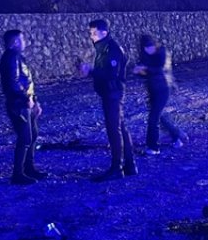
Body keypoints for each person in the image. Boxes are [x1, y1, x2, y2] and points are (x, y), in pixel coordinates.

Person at [80, 19, 135, 181]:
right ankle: (129, 165)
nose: (92, 36)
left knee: (114, 130)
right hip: (110, 92)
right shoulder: (104, 48)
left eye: (94, 33)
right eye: (91, 33)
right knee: (120, 127)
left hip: (113, 93)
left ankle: (116, 167)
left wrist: (91, 71)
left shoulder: (112, 49)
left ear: (104, 32)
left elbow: (111, 74)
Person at [0, 30, 45, 185]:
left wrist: (35, 101)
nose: (25, 41)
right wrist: (26, 99)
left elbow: (27, 81)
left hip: (26, 102)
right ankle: (18, 174)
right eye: (22, 39)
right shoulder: (11, 58)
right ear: (15, 42)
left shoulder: (19, 58)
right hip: (18, 104)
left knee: (32, 135)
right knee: (25, 137)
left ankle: (29, 168)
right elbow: (13, 83)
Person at [133, 34, 187, 155]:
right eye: (146, 48)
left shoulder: (162, 52)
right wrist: (139, 71)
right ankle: (176, 135)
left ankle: (153, 147)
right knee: (159, 116)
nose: (148, 50)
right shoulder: (145, 54)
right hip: (152, 88)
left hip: (163, 88)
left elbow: (160, 69)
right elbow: (146, 73)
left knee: (153, 118)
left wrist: (144, 68)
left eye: (150, 47)